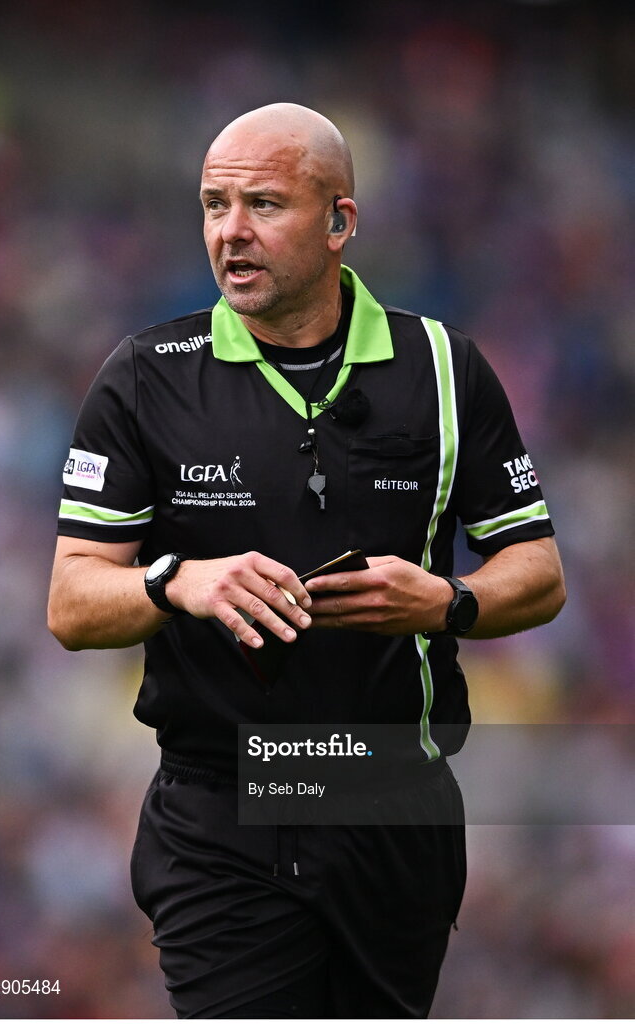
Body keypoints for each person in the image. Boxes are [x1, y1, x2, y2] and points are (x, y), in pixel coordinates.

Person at [48, 102, 566, 1018]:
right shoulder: (143, 374)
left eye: (263, 204)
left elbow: (538, 572)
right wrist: (178, 582)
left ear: (340, 222)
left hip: (388, 795)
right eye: (214, 205)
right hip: (224, 798)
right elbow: (73, 602)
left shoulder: (445, 368)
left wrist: (447, 601)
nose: (230, 233)